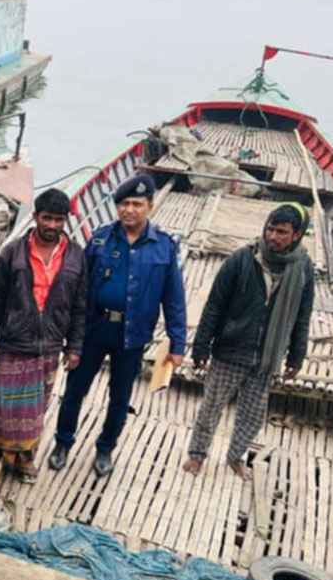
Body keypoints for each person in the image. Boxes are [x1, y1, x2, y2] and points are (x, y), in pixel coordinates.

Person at [51, 174, 187, 477]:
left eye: (137, 204)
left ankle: (105, 448)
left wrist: (177, 344)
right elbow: (79, 290)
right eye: (124, 204)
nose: (129, 210)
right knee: (74, 390)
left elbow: (174, 299)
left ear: (150, 206)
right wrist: (70, 334)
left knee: (120, 397)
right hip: (94, 329)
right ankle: (62, 443)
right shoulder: (100, 239)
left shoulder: (164, 247)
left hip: (133, 334)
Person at [185, 203, 315, 479]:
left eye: (282, 232)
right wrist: (201, 346)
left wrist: (296, 355)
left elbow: (302, 315)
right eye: (270, 229)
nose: (273, 236)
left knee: (252, 415)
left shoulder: (303, 268)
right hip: (230, 350)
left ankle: (236, 457)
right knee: (211, 407)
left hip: (267, 357)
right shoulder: (242, 260)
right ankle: (197, 455)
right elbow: (214, 305)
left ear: (296, 235)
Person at [0, 189, 87, 482]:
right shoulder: (12, 252)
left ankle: (25, 458)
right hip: (14, 341)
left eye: (58, 220)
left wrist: (74, 347)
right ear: (36, 217)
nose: (52, 225)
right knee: (5, 406)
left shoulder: (76, 256)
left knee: (35, 409)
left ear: (66, 220)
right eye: (47, 218)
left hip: (50, 344)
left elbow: (80, 306)